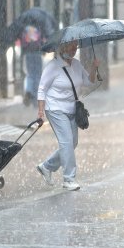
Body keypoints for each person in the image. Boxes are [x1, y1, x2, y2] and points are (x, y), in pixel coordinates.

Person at [35, 40, 100, 191]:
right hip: (55, 108)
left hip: (72, 108)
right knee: (66, 142)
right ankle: (69, 179)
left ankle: (46, 167)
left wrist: (94, 67)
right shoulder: (53, 66)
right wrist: (40, 112)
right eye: (71, 47)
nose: (74, 50)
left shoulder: (76, 64)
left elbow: (88, 82)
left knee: (72, 143)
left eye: (75, 47)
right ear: (62, 47)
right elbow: (41, 89)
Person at [2, 7, 57, 106]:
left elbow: (15, 31)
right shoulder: (44, 18)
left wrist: (9, 40)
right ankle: (35, 96)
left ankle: (28, 90)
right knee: (37, 74)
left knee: (30, 74)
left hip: (27, 51)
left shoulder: (24, 19)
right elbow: (49, 34)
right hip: (37, 50)